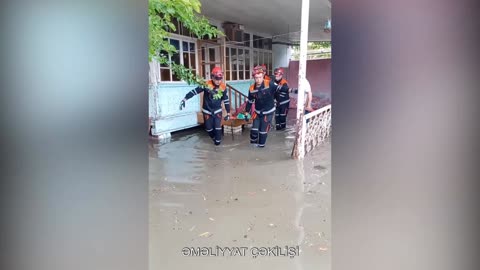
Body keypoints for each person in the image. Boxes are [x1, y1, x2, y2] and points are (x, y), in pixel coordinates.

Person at [179, 67, 231, 145]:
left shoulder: (223, 87)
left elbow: (226, 101)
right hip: (207, 111)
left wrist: (228, 113)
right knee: (209, 129)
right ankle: (215, 141)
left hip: (217, 111)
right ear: (212, 77)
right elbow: (195, 91)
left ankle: (218, 144)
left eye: (220, 79)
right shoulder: (206, 85)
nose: (218, 81)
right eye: (216, 79)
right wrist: (185, 99)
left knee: (218, 128)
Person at [244, 66, 288, 147]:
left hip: (268, 113)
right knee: (254, 131)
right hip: (257, 113)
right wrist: (246, 113)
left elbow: (281, 89)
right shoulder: (251, 89)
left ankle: (261, 148)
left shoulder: (269, 84)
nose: (258, 80)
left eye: (260, 77)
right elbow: (250, 102)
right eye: (256, 78)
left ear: (263, 76)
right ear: (253, 77)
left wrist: (293, 90)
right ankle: (252, 149)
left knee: (262, 132)